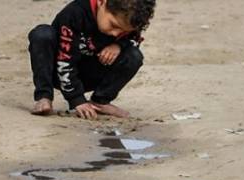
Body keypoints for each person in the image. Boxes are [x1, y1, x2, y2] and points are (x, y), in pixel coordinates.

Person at [27, 0, 155, 119]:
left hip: (90, 72)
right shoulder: (75, 13)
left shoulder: (130, 19)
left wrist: (119, 45)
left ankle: (100, 101)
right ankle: (44, 97)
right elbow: (65, 60)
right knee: (42, 35)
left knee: (134, 55)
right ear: (101, 2)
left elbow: (134, 39)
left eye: (122, 31)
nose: (116, 34)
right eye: (113, 25)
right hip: (58, 69)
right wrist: (77, 100)